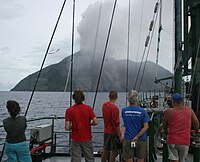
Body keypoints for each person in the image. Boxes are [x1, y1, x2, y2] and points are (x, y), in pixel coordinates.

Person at [162, 93, 199, 162]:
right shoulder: (189, 110)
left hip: (172, 139)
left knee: (174, 159)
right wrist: (196, 130)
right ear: (182, 101)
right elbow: (196, 123)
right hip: (184, 140)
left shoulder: (169, 111)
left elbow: (164, 124)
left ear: (173, 101)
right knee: (182, 159)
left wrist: (166, 131)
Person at [65, 89, 98, 162]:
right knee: (89, 158)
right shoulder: (88, 108)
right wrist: (89, 124)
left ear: (74, 98)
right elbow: (96, 121)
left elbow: (67, 127)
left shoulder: (69, 110)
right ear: (83, 98)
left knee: (76, 159)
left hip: (75, 138)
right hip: (87, 138)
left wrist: (72, 127)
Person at [121, 90, 151, 162]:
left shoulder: (124, 111)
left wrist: (121, 135)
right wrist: (137, 136)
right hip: (140, 139)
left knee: (128, 158)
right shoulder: (142, 111)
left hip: (128, 138)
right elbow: (146, 126)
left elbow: (124, 124)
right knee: (140, 158)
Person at [101, 90, 122, 162]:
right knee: (113, 151)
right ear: (116, 97)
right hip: (113, 133)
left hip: (106, 131)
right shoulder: (115, 109)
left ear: (109, 96)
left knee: (105, 149)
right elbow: (116, 124)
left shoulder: (104, 105)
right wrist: (119, 135)